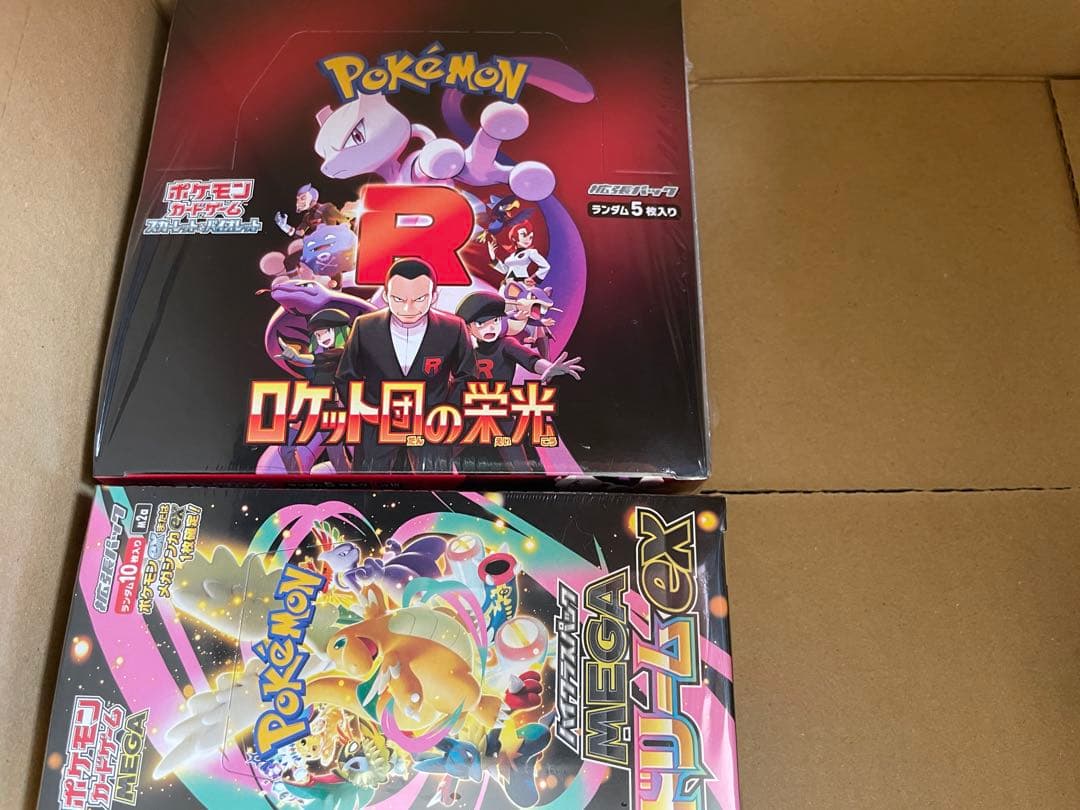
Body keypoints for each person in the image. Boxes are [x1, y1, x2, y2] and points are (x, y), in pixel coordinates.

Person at [335, 260, 477, 472]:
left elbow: (467, 376)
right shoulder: (364, 326)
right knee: (370, 484)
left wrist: (447, 412)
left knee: (435, 486)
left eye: (419, 299)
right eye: (398, 299)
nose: (407, 309)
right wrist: (366, 411)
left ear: (434, 296)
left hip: (432, 425)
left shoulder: (453, 328)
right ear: (385, 296)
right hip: (377, 425)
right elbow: (346, 375)